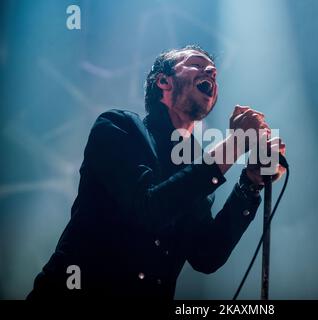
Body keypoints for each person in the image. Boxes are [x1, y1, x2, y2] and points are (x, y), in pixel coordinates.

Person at [27, 45, 286, 299]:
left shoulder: (196, 167)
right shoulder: (118, 126)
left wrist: (250, 182)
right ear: (163, 81)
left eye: (214, 72)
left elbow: (207, 256)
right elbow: (148, 209)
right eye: (196, 64)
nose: (210, 70)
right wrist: (235, 144)